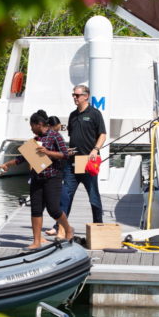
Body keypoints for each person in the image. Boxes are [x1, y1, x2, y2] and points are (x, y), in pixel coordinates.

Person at [0, 110, 73, 249]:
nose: (31, 128)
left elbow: (65, 155)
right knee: (36, 209)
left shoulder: (55, 136)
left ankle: (68, 229)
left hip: (53, 176)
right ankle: (36, 242)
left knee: (54, 209)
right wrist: (7, 164)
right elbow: (23, 157)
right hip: (37, 177)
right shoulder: (34, 140)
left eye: (32, 125)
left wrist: (48, 152)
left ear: (39, 124)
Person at [46, 84, 106, 237]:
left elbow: (103, 135)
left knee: (93, 195)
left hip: (87, 160)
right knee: (66, 195)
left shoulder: (95, 114)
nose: (74, 97)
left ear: (86, 96)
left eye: (77, 95)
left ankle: (98, 225)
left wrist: (95, 149)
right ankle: (59, 226)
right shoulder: (72, 115)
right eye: (73, 95)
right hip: (72, 162)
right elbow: (73, 137)